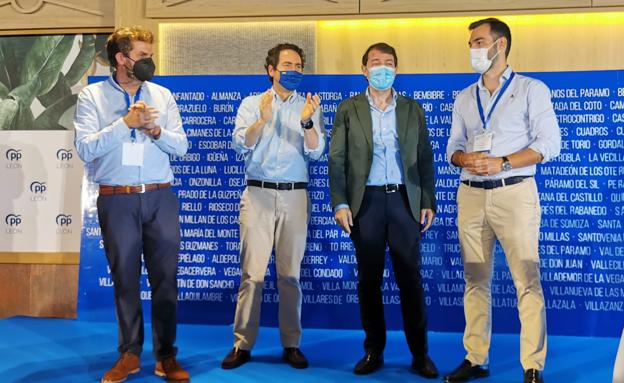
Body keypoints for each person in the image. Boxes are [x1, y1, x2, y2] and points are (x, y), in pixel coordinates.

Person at [444, 18, 561, 383]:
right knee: (475, 279)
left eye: (479, 42)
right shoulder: (464, 97)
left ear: (501, 44)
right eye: (471, 44)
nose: (473, 49)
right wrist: (464, 159)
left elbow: (549, 144)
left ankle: (532, 365)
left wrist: (503, 161)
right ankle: (476, 357)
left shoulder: (531, 90)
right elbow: (452, 147)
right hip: (471, 196)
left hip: (514, 192)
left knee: (526, 279)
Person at [74, 26, 190, 383]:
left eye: (149, 54)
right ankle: (129, 354)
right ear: (122, 59)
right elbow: (85, 148)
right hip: (117, 199)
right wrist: (125, 124)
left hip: (159, 196)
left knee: (166, 280)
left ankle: (167, 355)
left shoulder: (163, 95)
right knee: (125, 279)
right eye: (141, 55)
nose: (148, 61)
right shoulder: (92, 97)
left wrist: (156, 131)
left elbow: (181, 147)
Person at [328, 42, 438, 378]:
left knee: (411, 280)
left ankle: (420, 354)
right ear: (364, 69)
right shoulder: (349, 108)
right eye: (375, 63)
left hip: (405, 201)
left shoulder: (411, 108)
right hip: (367, 203)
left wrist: (427, 200)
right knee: (369, 280)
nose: (382, 68)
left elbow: (424, 158)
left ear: (397, 69)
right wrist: (341, 202)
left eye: (388, 63)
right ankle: (373, 350)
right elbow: (337, 159)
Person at [221, 43, 325, 370]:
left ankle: (291, 343)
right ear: (271, 70)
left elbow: (317, 151)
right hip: (258, 195)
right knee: (252, 275)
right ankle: (243, 343)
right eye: (287, 65)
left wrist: (307, 123)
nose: (293, 70)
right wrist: (263, 121)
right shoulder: (252, 104)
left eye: (298, 65)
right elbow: (241, 143)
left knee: (290, 276)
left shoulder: (308, 106)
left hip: (295, 195)